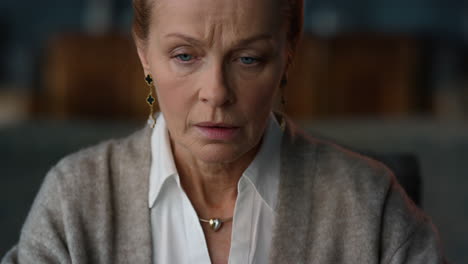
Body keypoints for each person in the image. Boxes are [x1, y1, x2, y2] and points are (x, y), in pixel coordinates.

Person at [2, 0, 447, 263]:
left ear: (289, 50)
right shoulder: (74, 200)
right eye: (184, 56)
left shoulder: (372, 208)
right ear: (143, 53)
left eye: (248, 59)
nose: (215, 93)